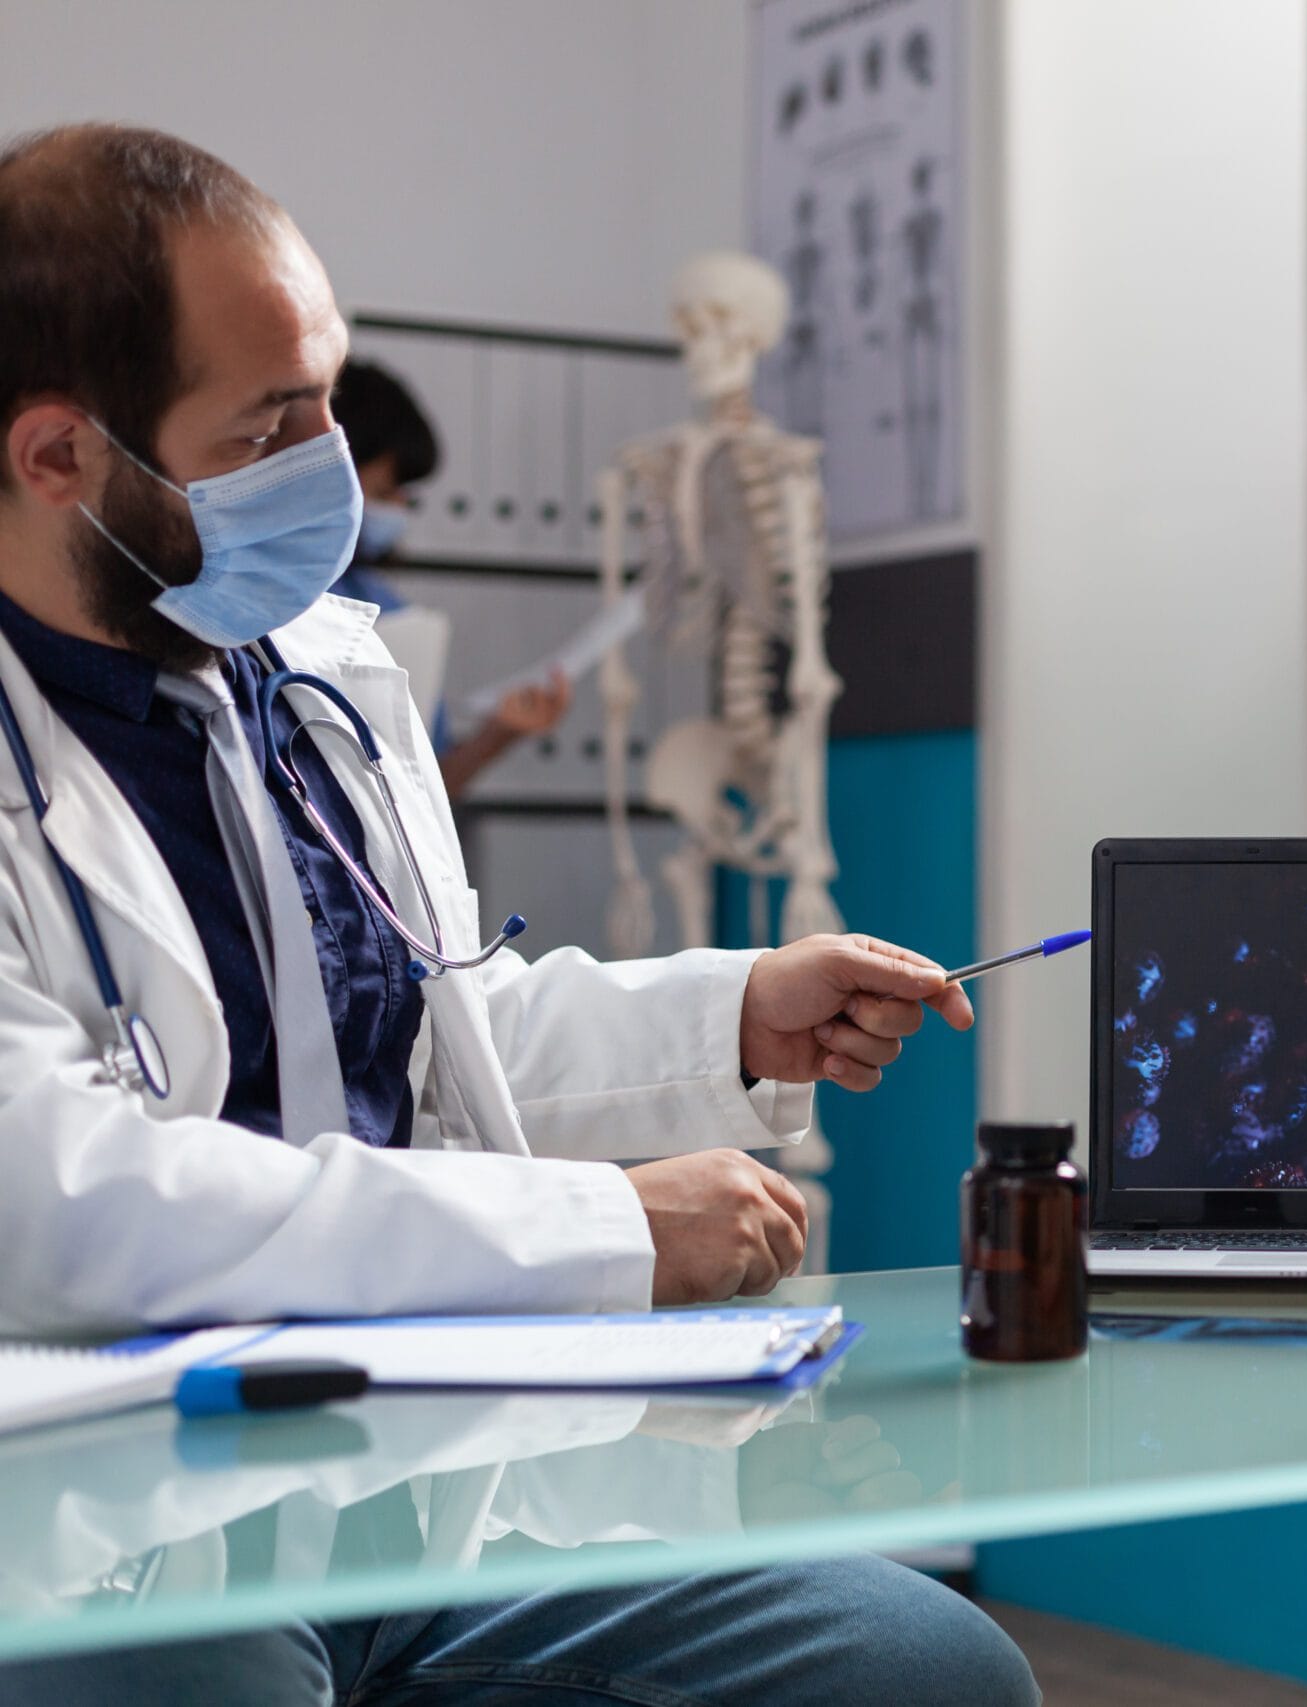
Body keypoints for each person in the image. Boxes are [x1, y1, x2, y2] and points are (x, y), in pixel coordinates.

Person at [0, 126, 1034, 1704]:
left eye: (328, 398)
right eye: (272, 423)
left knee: (923, 1669)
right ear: (58, 455)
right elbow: (72, 1203)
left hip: (409, 1467)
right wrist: (605, 1226)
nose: (331, 464)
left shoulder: (324, 677)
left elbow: (428, 1027)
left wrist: (730, 1008)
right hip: (107, 1505)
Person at [331, 356, 574, 795]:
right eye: (385, 492)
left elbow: (424, 792)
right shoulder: (264, 605)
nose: (398, 509)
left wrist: (500, 732)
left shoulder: (388, 613)